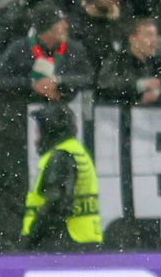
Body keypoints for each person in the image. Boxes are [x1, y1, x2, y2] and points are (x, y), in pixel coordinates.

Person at [21, 101, 102, 252]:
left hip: (63, 241)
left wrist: (33, 237)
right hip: (82, 239)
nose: (36, 137)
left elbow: (57, 203)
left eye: (39, 130)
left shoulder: (61, 155)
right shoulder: (76, 150)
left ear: (50, 130)